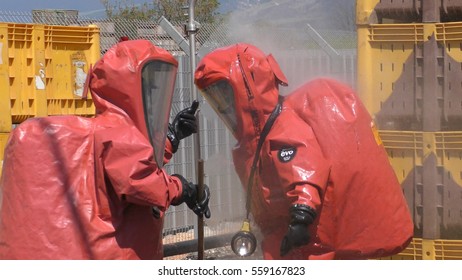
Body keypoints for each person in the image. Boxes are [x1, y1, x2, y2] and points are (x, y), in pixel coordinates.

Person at [194, 43, 413, 260]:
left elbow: (305, 173)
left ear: (247, 91)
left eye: (224, 95)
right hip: (286, 235)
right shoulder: (259, 139)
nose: (223, 106)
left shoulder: (282, 129)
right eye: (216, 98)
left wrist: (301, 216)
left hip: (306, 240)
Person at [0, 39, 210, 260]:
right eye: (148, 89)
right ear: (128, 89)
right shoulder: (116, 132)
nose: (151, 98)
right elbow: (145, 184)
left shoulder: (97, 132)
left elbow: (127, 164)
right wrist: (182, 188)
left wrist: (170, 138)